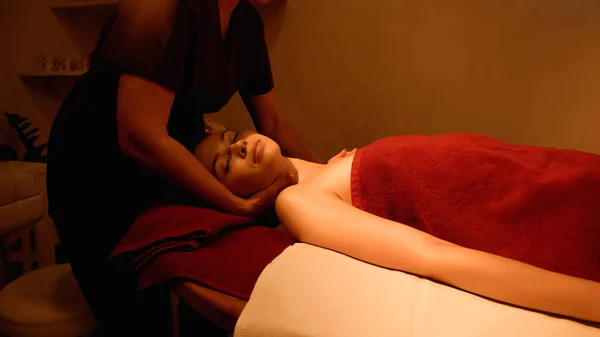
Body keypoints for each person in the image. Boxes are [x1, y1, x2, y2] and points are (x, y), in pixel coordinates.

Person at [46, 0, 323, 335]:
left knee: (190, 291)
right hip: (95, 172)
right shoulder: (161, 8)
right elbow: (139, 136)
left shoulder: (245, 21)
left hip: (173, 169)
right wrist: (238, 204)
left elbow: (274, 122)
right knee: (134, 317)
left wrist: (325, 177)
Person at [194, 130, 600, 323]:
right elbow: (436, 259)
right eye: (225, 163)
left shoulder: (326, 169)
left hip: (529, 169)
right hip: (521, 205)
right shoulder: (296, 202)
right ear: (227, 196)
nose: (237, 146)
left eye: (231, 136)